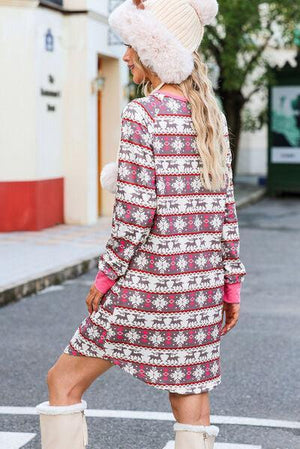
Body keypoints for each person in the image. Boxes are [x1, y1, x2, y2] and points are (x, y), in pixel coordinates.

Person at [36, 0, 247, 448]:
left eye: (132, 45)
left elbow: (133, 214)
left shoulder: (142, 114)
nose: (126, 54)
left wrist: (106, 277)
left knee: (63, 382)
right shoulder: (211, 116)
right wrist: (231, 287)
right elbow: (225, 211)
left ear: (154, 51)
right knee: (192, 403)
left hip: (145, 285)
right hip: (199, 288)